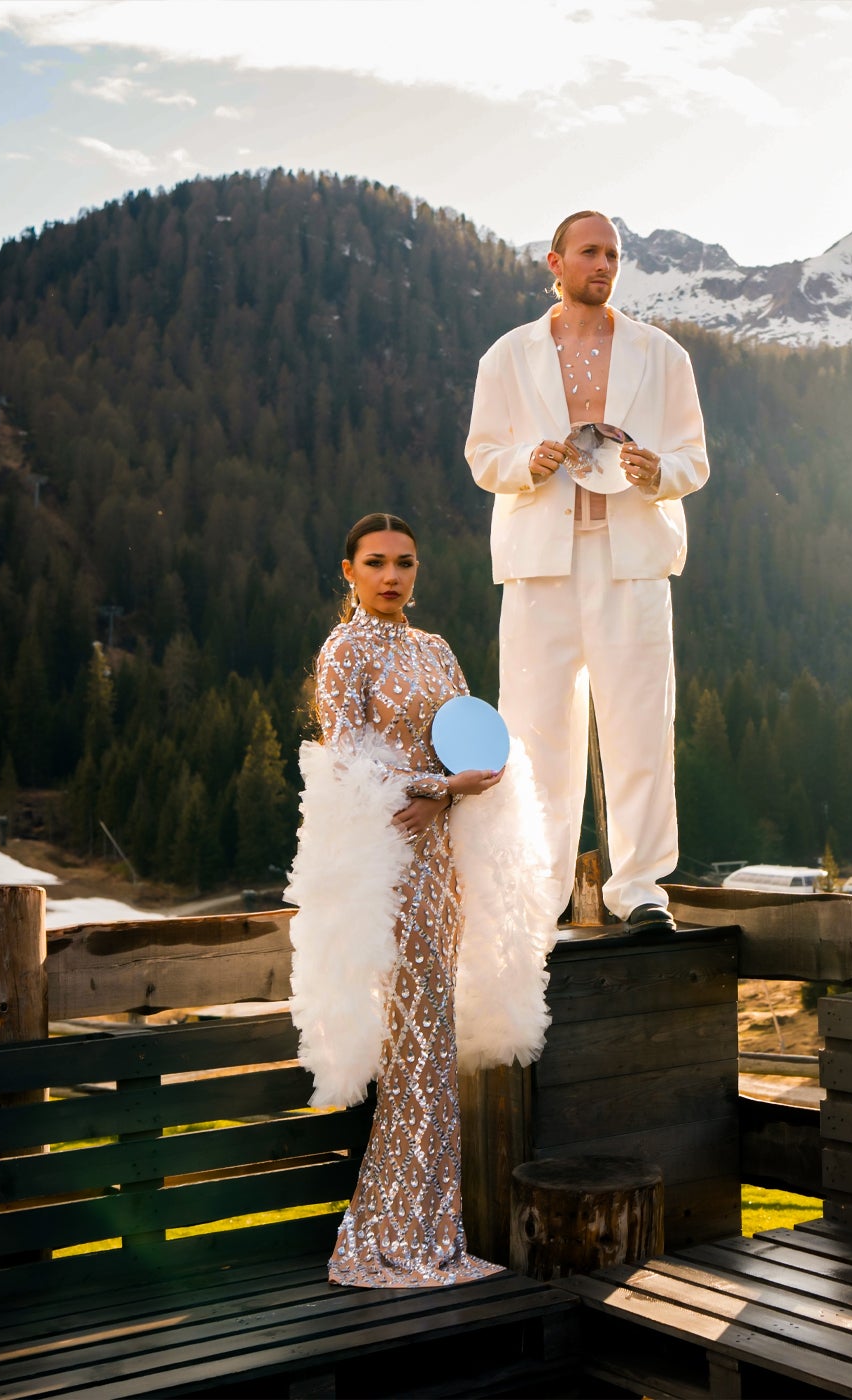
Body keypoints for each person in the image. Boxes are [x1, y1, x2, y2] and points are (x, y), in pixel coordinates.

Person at [285, 512, 555, 1288]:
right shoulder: (344, 651)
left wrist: (452, 791)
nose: (392, 576)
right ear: (349, 572)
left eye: (404, 563)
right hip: (388, 872)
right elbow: (345, 764)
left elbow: (478, 749)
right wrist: (438, 787)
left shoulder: (436, 650)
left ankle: (430, 1236)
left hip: (442, 869)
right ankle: (388, 1240)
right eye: (375, 563)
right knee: (415, 1051)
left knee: (435, 1050)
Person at [465, 209, 710, 933]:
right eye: (590, 252)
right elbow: (482, 457)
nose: (603, 265)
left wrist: (658, 471)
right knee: (533, 733)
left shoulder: (661, 354)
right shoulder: (506, 356)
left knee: (639, 726)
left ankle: (638, 888)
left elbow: (694, 460)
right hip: (539, 563)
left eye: (613, 255)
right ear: (556, 262)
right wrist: (527, 461)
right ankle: (535, 896)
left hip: (632, 559)